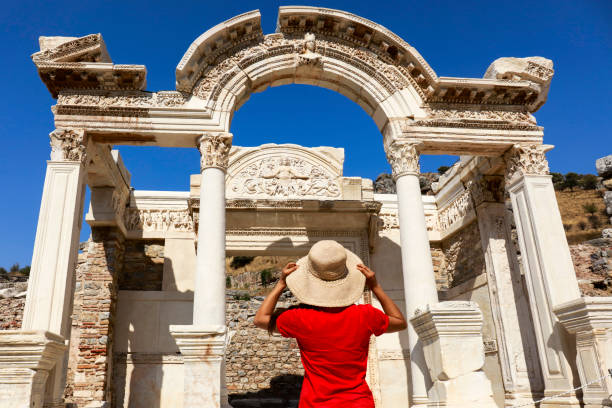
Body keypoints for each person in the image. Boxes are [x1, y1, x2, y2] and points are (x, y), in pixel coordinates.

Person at [254, 240, 407, 407]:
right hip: (358, 402)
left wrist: (281, 284)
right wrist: (375, 286)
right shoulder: (365, 315)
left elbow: (260, 319)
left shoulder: (299, 318)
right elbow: (399, 322)